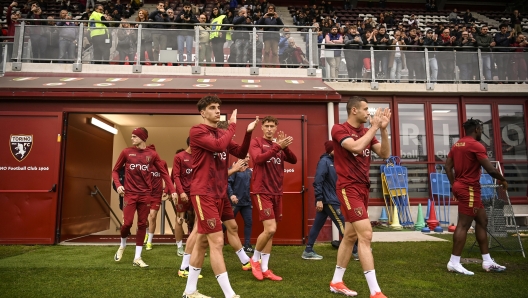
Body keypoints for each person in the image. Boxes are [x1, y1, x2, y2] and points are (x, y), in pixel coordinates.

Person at [182, 96, 259, 298]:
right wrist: (232, 125)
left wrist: (248, 132)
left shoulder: (221, 134)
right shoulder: (197, 131)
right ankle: (230, 294)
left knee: (202, 241)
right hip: (203, 193)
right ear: (202, 113)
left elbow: (241, 152)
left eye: (218, 108)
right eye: (212, 108)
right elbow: (218, 146)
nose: (217, 111)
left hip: (220, 193)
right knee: (216, 241)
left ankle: (190, 291)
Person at [329, 96, 390, 298]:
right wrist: (373, 127)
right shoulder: (338, 129)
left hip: (363, 188)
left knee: (350, 236)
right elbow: (355, 147)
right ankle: (375, 291)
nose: (368, 113)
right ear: (353, 110)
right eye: (365, 109)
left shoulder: (367, 131)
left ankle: (336, 281)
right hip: (348, 188)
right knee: (366, 235)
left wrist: (383, 129)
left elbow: (384, 154)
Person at [445, 118, 508, 275]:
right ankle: (454, 262)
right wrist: (503, 179)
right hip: (469, 189)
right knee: (463, 225)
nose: (482, 132)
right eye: (481, 129)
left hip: (465, 187)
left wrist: (454, 185)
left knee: (482, 221)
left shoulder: (457, 144)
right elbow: (490, 169)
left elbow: (447, 167)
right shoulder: (476, 145)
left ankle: (487, 261)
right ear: (477, 130)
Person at [112, 127, 177, 268]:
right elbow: (115, 170)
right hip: (130, 194)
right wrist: (118, 185)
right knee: (127, 224)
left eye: (135, 136)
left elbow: (164, 173)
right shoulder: (126, 152)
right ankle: (122, 245)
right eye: (132, 136)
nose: (132, 138)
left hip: (146, 195)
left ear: (143, 138)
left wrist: (172, 190)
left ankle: (137, 257)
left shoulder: (152, 154)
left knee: (142, 224)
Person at [248, 116, 297, 281]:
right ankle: (254, 260)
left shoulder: (279, 145)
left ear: (276, 128)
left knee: (270, 232)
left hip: (277, 192)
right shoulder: (256, 142)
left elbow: (294, 160)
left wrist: (285, 147)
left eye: (272, 126)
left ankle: (265, 268)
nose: (269, 129)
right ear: (262, 127)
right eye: (267, 126)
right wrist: (278, 147)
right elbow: (258, 159)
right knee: (270, 229)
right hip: (262, 191)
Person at [302, 140, 346, 260]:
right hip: (328, 200)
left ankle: (308, 250)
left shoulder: (334, 162)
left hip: (331, 198)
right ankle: (356, 250)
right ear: (330, 150)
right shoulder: (324, 162)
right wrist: (319, 199)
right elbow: (317, 181)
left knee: (317, 225)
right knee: (342, 223)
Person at [228, 155, 254, 253]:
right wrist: (231, 195)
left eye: (249, 157)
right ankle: (216, 241)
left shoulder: (248, 171)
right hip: (235, 202)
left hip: (246, 202)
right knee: (227, 224)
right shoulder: (233, 169)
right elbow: (228, 183)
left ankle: (247, 245)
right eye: (246, 156)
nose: (247, 158)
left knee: (249, 222)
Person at [144, 145, 168, 250]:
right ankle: (146, 233)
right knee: (143, 218)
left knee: (153, 216)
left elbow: (166, 176)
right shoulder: (144, 164)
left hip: (156, 195)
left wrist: (167, 190)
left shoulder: (162, 163)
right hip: (145, 194)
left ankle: (149, 241)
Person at [173, 138, 193, 258]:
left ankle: (194, 246)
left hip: (196, 193)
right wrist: (181, 192)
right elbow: (176, 176)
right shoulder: (179, 157)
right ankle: (179, 246)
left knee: (196, 220)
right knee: (179, 219)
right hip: (183, 193)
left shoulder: (200, 157)